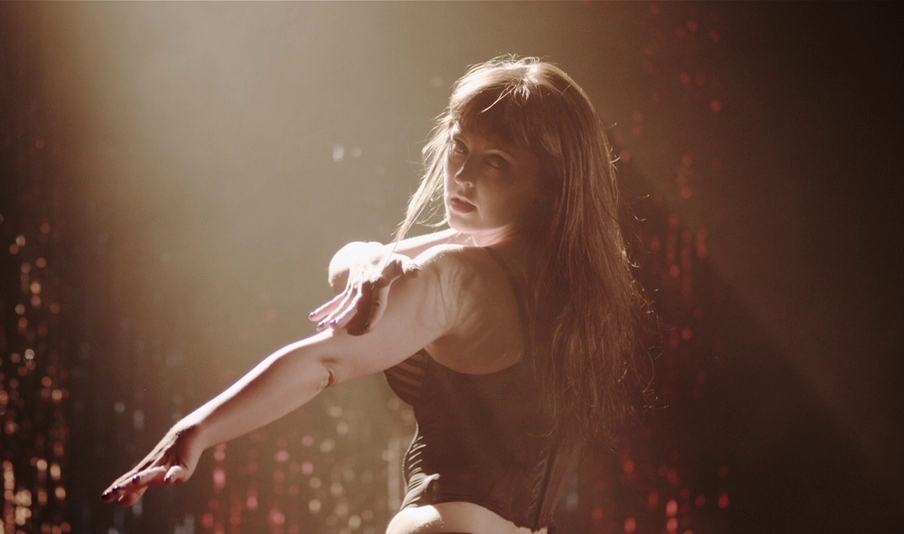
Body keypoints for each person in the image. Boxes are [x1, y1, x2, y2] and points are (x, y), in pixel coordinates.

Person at [101, 56, 650, 534]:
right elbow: (355, 266)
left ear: (548, 185)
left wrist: (195, 430)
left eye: (496, 162)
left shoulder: (458, 277)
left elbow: (326, 360)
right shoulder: (576, 293)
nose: (461, 174)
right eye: (459, 147)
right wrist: (368, 259)